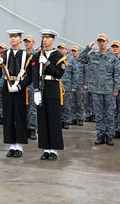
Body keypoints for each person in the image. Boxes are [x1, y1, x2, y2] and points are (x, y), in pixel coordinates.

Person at [20, 30, 66, 160]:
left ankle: (54, 149)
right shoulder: (36, 56)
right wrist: (35, 90)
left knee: (54, 120)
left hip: (52, 89)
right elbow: (31, 74)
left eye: (48, 38)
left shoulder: (58, 55)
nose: (45, 40)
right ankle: (46, 149)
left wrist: (47, 63)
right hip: (40, 89)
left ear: (53, 40)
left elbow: (59, 74)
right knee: (43, 120)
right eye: (43, 38)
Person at [77, 33, 118, 146]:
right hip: (96, 90)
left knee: (110, 114)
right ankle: (100, 135)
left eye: (103, 41)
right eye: (99, 41)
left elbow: (118, 74)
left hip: (109, 90)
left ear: (107, 42)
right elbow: (80, 59)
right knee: (99, 115)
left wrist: (117, 88)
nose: (101, 43)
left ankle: (109, 136)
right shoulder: (93, 55)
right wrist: (88, 48)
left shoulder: (113, 58)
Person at [0, 29, 30, 158]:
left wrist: (20, 86)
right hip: (7, 87)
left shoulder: (27, 55)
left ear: (20, 40)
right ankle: (11, 145)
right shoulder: (4, 54)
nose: (12, 39)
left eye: (15, 37)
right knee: (8, 117)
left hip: (20, 88)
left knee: (20, 117)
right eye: (11, 37)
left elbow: (29, 76)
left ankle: (20, 146)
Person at [58, 43, 78, 129]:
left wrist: (74, 86)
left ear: (66, 50)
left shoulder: (71, 60)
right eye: (59, 48)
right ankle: (59, 121)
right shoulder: (55, 58)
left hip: (67, 86)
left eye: (62, 48)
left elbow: (75, 73)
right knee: (58, 106)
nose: (61, 50)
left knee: (67, 105)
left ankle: (66, 121)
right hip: (57, 86)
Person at [23, 35, 38, 140]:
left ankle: (32, 129)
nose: (27, 43)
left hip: (33, 85)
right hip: (23, 85)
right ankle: (24, 128)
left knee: (33, 108)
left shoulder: (36, 56)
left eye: (29, 41)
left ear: (33, 43)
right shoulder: (22, 55)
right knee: (23, 108)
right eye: (25, 41)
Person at [70, 45, 87, 126]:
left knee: (80, 102)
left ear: (78, 52)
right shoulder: (69, 60)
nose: (73, 52)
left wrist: (86, 84)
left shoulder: (82, 61)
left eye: (75, 51)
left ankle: (80, 118)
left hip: (80, 84)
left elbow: (86, 73)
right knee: (72, 102)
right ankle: (73, 118)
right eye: (72, 51)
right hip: (71, 85)